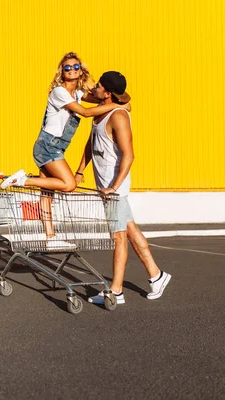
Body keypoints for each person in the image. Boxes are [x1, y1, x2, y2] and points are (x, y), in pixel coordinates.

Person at [0, 52, 131, 249]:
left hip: (55, 146)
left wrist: (120, 102)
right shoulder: (59, 92)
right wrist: (118, 105)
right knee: (68, 185)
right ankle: (22, 180)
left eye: (76, 67)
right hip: (48, 145)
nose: (72, 70)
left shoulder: (77, 94)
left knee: (47, 192)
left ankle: (50, 236)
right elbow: (86, 112)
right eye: (67, 67)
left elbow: (100, 100)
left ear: (81, 71)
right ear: (62, 71)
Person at [74, 71, 171, 305]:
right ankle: (156, 276)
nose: (94, 88)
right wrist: (80, 170)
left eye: (98, 86)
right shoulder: (102, 111)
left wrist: (114, 187)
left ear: (107, 93)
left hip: (114, 187)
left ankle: (116, 291)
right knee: (130, 231)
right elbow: (92, 141)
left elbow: (129, 155)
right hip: (106, 184)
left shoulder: (117, 116)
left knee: (118, 237)